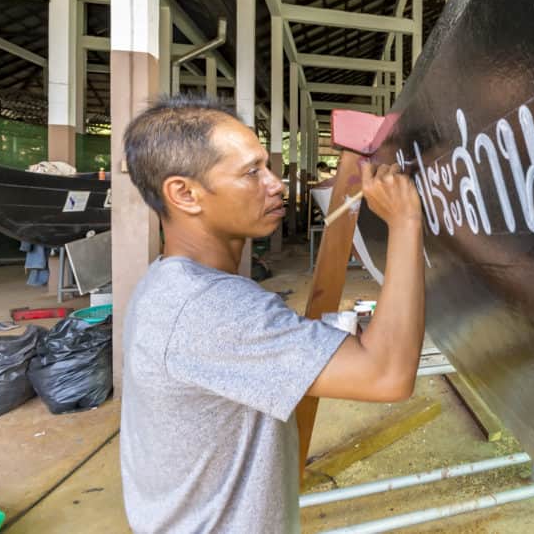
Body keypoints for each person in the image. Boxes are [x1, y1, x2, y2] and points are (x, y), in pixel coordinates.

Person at [118, 94, 424, 533]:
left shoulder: (167, 282)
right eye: (250, 172)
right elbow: (387, 374)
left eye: (267, 165)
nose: (276, 183)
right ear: (184, 193)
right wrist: (406, 222)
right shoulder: (209, 308)